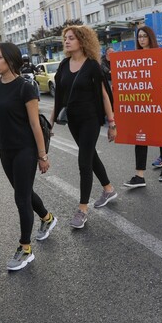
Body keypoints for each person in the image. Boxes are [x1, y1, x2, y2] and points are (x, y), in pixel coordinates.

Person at [0, 42, 56, 271]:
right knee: (22, 192)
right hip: (6, 151)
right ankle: (47, 217)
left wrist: (42, 156)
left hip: (25, 149)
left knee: (21, 198)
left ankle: (25, 249)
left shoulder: (26, 87)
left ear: (11, 61)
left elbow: (35, 123)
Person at [51, 25, 117, 229]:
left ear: (82, 40)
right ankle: (108, 189)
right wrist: (50, 123)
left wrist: (112, 123)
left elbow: (105, 94)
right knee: (90, 156)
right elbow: (59, 98)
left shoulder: (92, 66)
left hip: (90, 119)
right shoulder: (63, 65)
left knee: (83, 162)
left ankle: (82, 210)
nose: (67, 41)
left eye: (71, 38)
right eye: (65, 38)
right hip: (73, 120)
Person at [123, 25, 162, 187]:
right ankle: (139, 175)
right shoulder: (134, 57)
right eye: (139, 37)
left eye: (144, 36)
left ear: (150, 38)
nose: (142, 39)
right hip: (142, 103)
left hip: (160, 101)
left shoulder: (160, 55)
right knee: (140, 136)